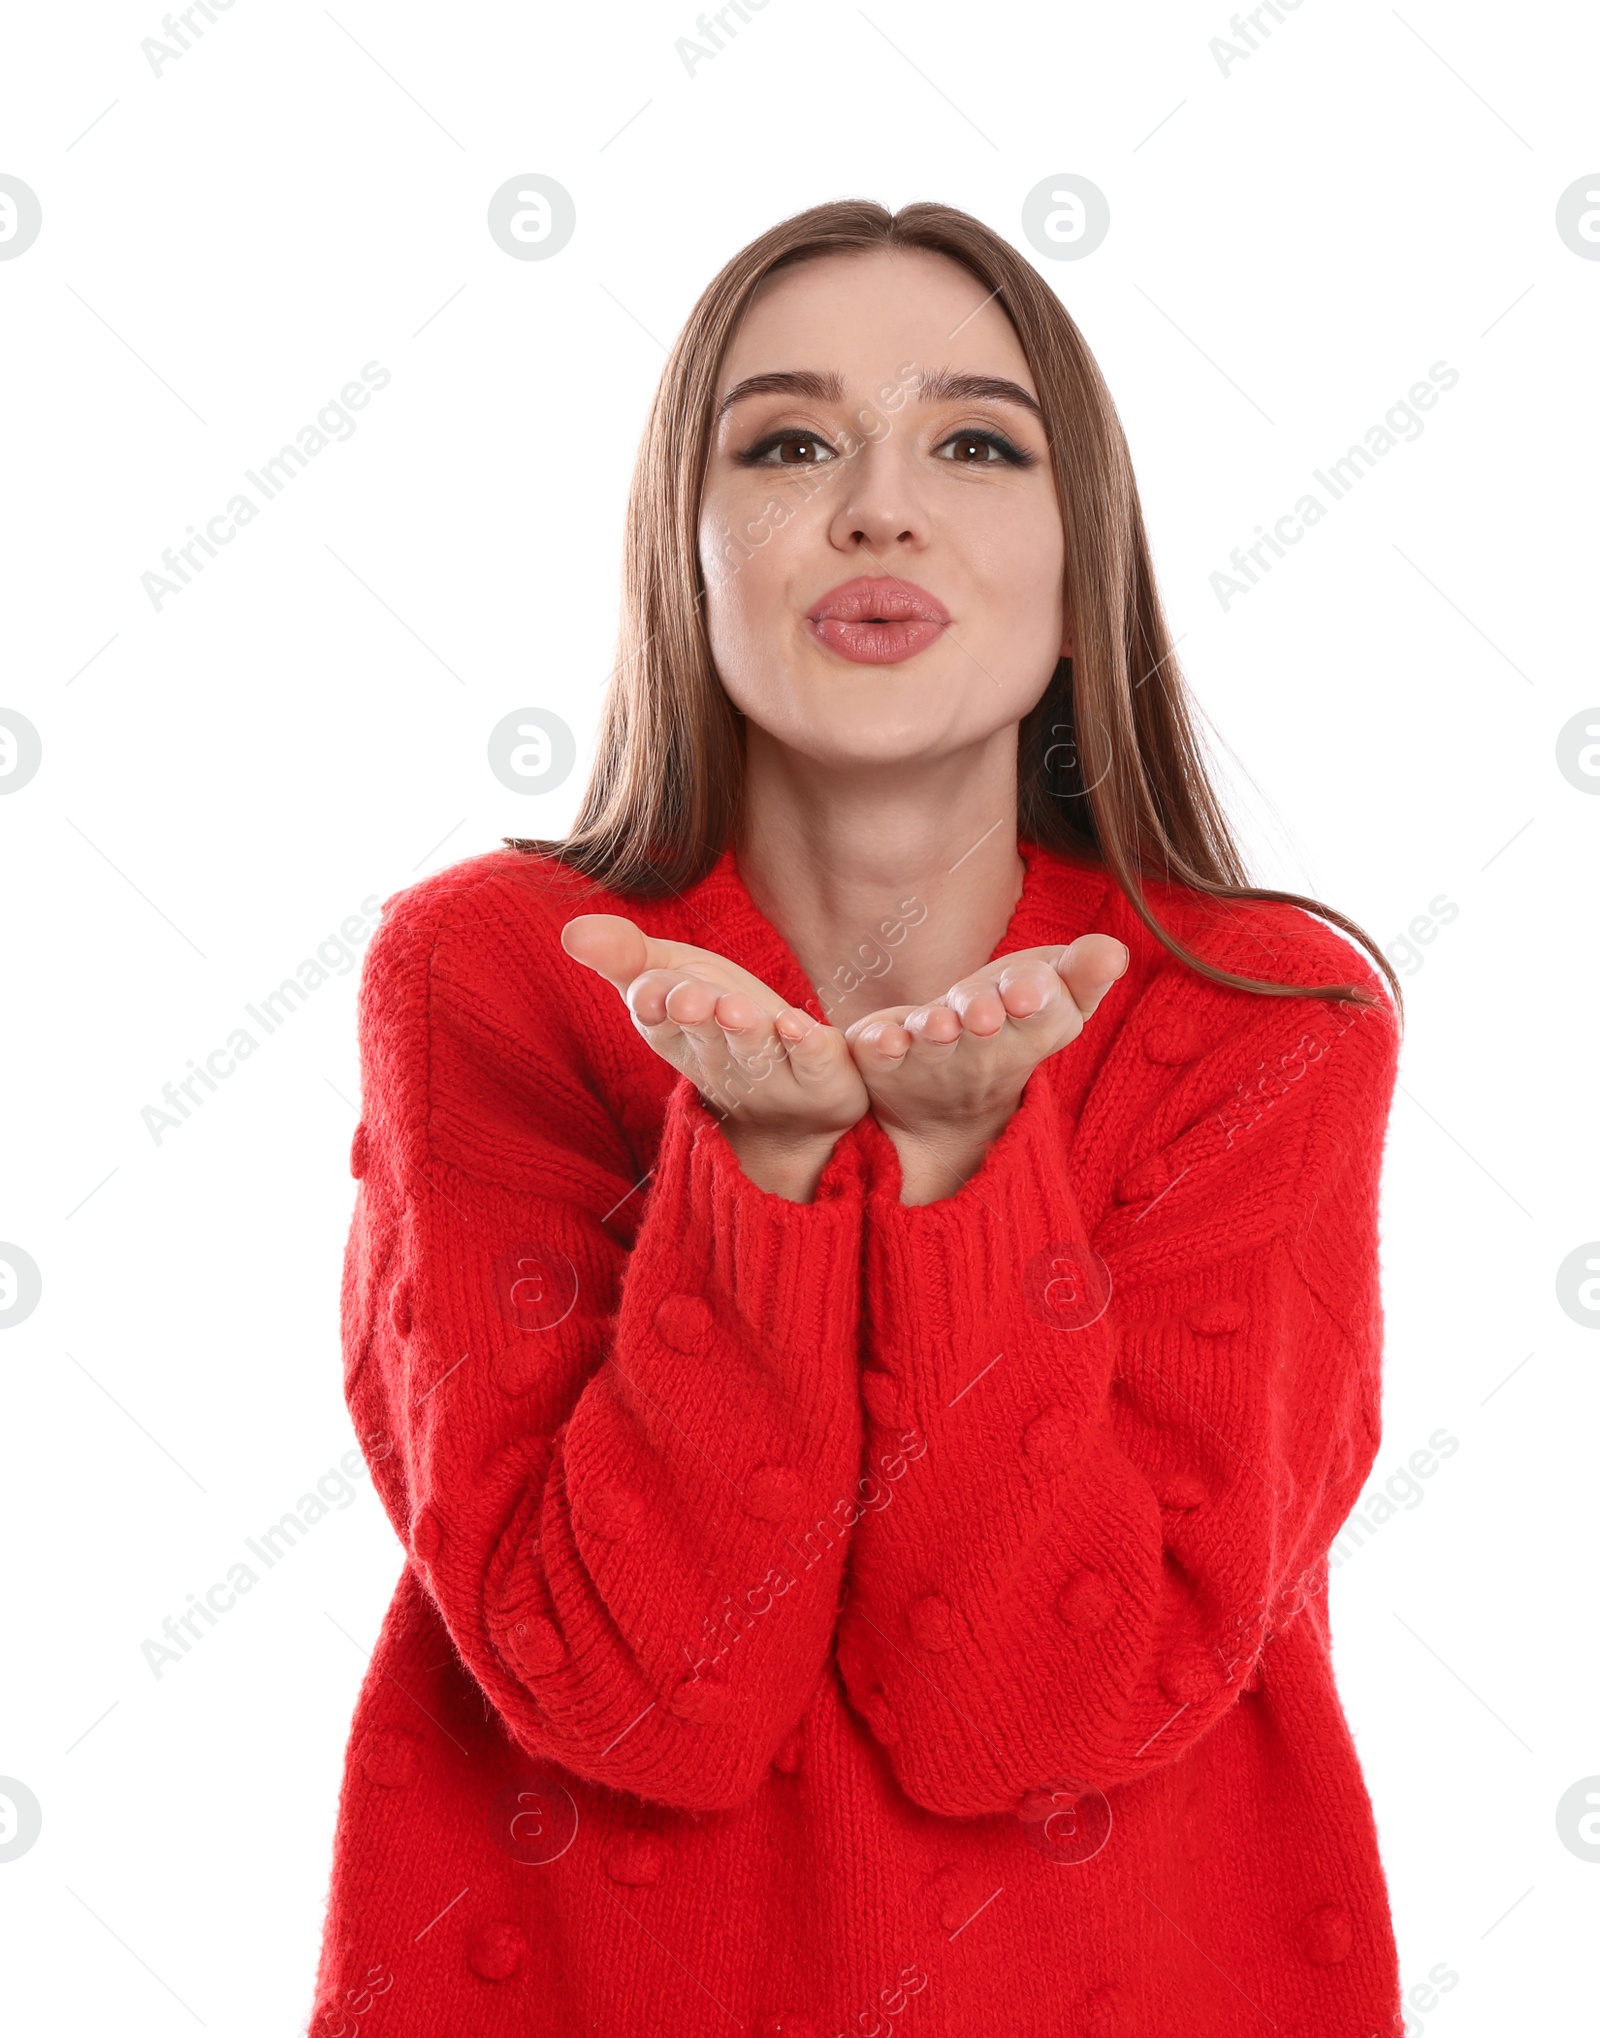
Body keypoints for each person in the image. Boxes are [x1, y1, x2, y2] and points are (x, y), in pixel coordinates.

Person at [311, 199, 1406, 2038]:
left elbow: (1037, 1720)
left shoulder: (1259, 1015)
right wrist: (754, 1167)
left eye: (975, 441)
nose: (879, 505)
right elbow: (635, 1690)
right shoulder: (490, 977)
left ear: (1084, 573)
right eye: (791, 440)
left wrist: (975, 1172)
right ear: (690, 555)